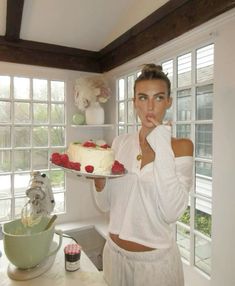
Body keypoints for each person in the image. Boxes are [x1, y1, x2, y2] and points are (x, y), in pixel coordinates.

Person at [92, 64, 194, 286]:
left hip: (154, 267)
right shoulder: (120, 143)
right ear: (134, 103)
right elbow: (105, 205)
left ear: (169, 102)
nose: (150, 106)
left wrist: (162, 143)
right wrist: (99, 181)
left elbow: (172, 212)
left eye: (158, 98)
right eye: (143, 97)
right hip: (114, 255)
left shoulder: (182, 147)